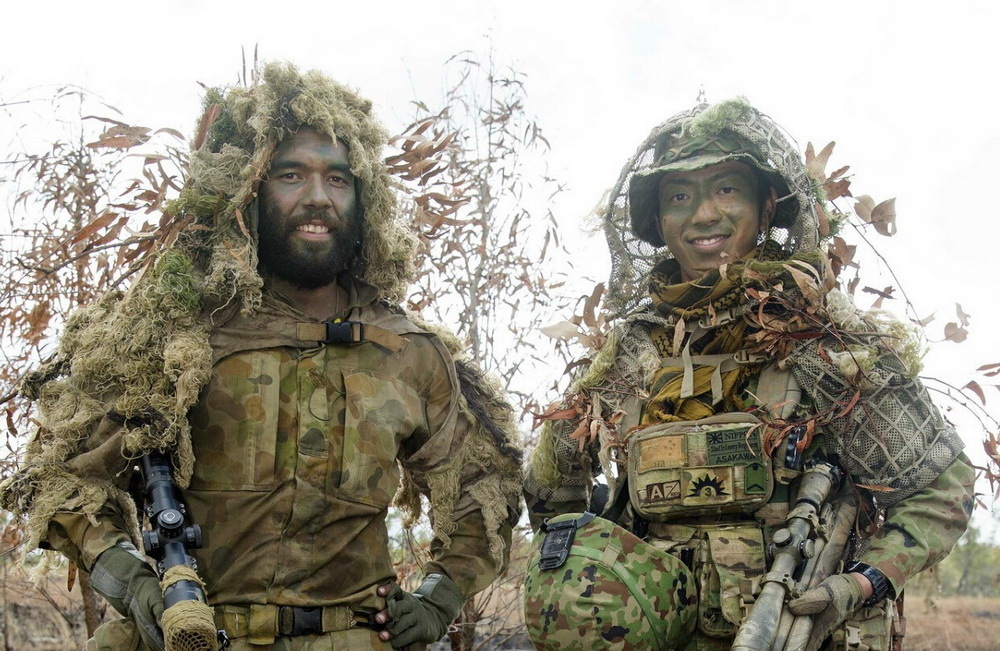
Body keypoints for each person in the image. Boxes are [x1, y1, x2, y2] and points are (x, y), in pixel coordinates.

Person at [1, 62, 522, 650]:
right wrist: (138, 586)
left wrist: (436, 600)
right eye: (291, 175)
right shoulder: (178, 336)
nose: (318, 197)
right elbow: (68, 479)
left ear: (364, 199)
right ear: (250, 189)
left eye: (338, 180)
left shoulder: (407, 351)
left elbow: (487, 485)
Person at [523, 98, 975, 650]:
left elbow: (942, 488)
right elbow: (553, 488)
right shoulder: (633, 350)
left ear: (766, 208)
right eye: (679, 196)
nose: (703, 214)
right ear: (659, 221)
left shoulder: (819, 339)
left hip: (796, 630)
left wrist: (859, 584)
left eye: (726, 189)